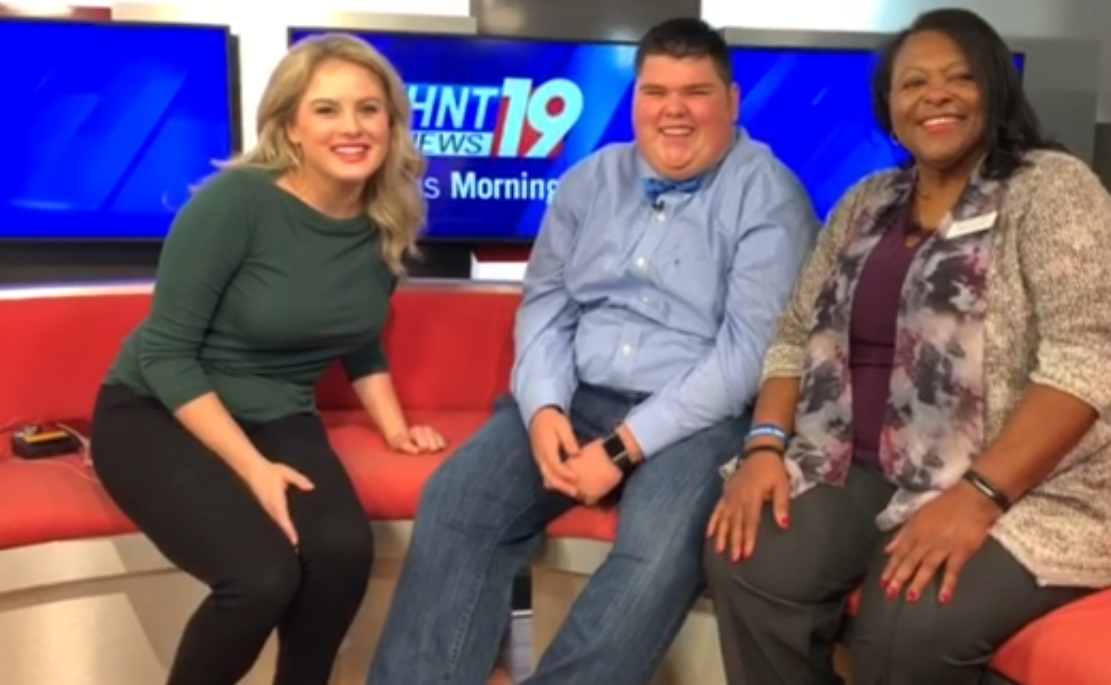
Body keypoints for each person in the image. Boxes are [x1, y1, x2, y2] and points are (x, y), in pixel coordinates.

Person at [703, 8, 1111, 685]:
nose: (935, 94)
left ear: (994, 90)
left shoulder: (1051, 191)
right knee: (747, 552)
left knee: (911, 611)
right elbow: (793, 336)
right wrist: (762, 446)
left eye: (958, 77)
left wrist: (977, 495)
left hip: (1041, 485)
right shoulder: (866, 203)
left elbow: (1084, 362)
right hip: (871, 464)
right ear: (889, 107)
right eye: (912, 82)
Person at [366, 17, 820, 685]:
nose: (673, 111)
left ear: (731, 100)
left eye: (695, 92)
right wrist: (544, 406)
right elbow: (547, 305)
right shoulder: (588, 182)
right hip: (577, 393)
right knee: (458, 502)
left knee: (659, 550)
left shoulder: (769, 195)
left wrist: (621, 447)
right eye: (654, 91)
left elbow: (745, 354)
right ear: (634, 98)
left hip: (696, 417)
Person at [88, 33, 446, 685]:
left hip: (278, 411)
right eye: (327, 109)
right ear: (290, 127)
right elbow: (167, 352)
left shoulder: (384, 217)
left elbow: (359, 337)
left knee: (340, 553)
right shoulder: (235, 203)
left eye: (369, 109)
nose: (352, 127)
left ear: (392, 124)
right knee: (261, 576)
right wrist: (254, 469)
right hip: (156, 410)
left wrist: (395, 428)